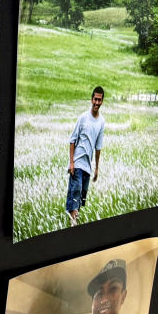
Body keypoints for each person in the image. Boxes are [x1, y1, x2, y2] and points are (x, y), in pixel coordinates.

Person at [66, 87, 105, 226]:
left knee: (81, 198)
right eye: (95, 99)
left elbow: (98, 147)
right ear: (91, 99)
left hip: (87, 167)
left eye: (99, 100)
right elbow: (72, 140)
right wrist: (71, 163)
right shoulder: (82, 118)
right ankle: (73, 225)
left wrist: (96, 169)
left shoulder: (101, 122)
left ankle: (74, 222)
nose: (97, 102)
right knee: (75, 194)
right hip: (77, 164)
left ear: (102, 101)